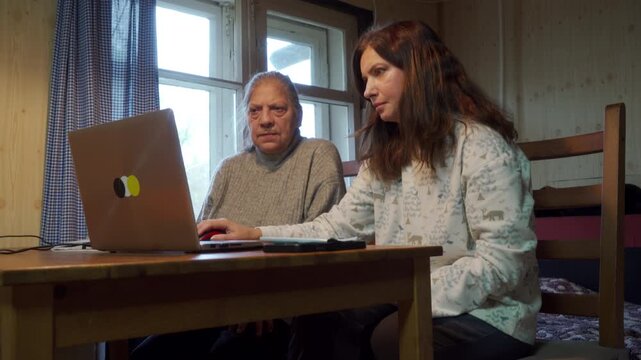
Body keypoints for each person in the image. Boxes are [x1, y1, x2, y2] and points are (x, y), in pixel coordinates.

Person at [200, 20, 540, 360]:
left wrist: (405, 292)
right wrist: (255, 233)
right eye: (366, 79)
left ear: (419, 70)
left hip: (492, 316)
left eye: (379, 72)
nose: (367, 91)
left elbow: (502, 265)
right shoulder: (386, 160)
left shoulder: (482, 147)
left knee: (385, 339)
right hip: (409, 297)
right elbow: (333, 227)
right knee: (318, 317)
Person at [131, 71, 346, 360]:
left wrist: (260, 295)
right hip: (216, 302)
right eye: (255, 110)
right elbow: (200, 241)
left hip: (278, 309)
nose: (265, 119)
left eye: (277, 109)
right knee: (144, 352)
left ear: (299, 115)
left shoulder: (318, 154)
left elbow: (322, 243)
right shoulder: (229, 169)